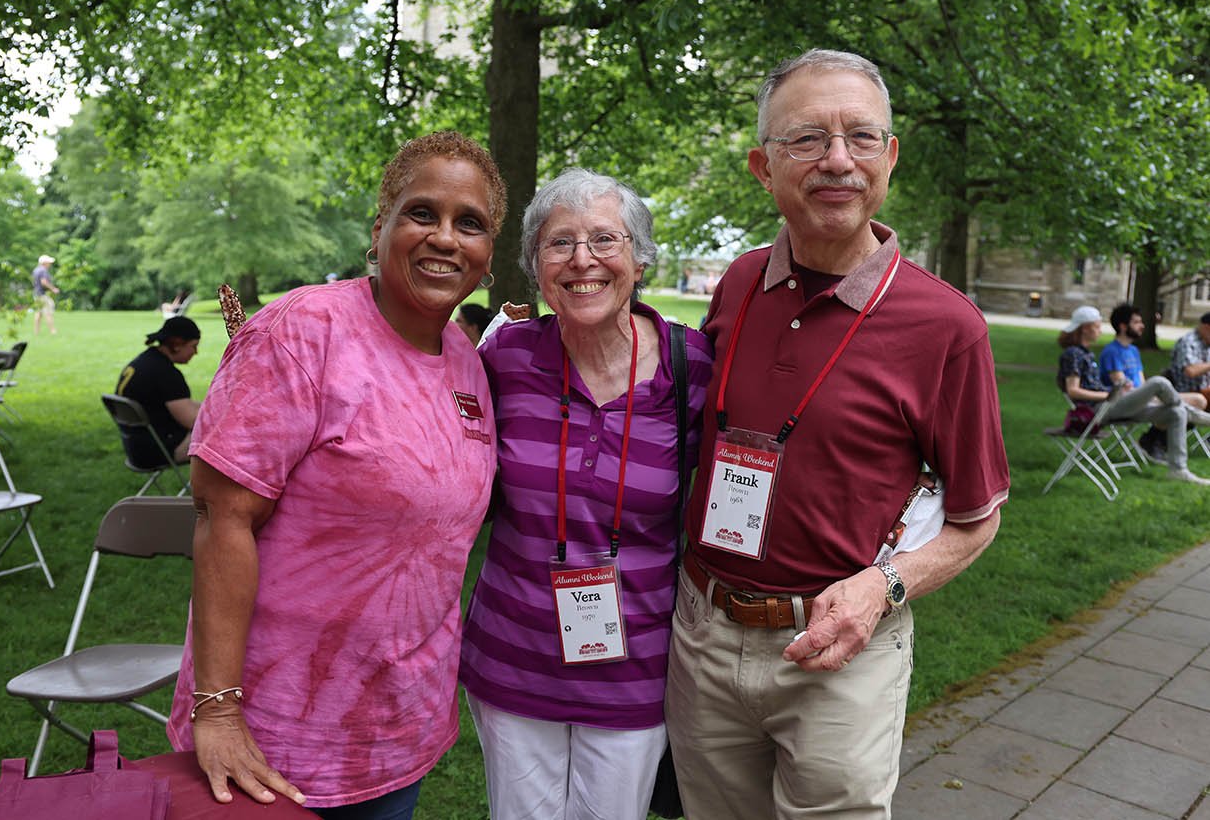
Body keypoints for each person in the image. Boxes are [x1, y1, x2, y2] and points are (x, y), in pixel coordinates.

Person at [662, 49, 1011, 819]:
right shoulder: (739, 282)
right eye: (807, 140)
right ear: (763, 166)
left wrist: (882, 588)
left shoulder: (947, 327)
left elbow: (977, 516)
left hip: (839, 648)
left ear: (889, 158)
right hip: (703, 629)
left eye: (860, 137)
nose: (837, 161)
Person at [165, 131, 506, 819]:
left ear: (488, 252)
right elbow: (221, 516)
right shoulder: (302, 332)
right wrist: (219, 711)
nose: (445, 238)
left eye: (469, 223)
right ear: (380, 227)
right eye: (422, 213)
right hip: (274, 735)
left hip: (397, 726)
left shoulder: (466, 360)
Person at [458, 169, 713, 819]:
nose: (582, 260)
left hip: (636, 666)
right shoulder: (503, 360)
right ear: (535, 268)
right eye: (558, 243)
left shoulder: (694, 367)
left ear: (641, 258)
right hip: (514, 660)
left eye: (605, 239)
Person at [1057, 304, 1210, 483]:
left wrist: (1116, 391)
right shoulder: (1072, 354)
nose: (1100, 330)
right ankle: (1203, 418)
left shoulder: (1087, 354)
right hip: (1100, 410)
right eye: (1097, 326)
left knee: (1177, 412)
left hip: (1118, 403)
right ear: (1084, 328)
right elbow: (1073, 391)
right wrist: (1108, 395)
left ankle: (1178, 470)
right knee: (1159, 383)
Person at [1099, 303, 1209, 459]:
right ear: (1123, 326)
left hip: (1144, 398)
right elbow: (1123, 387)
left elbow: (1141, 383)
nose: (1142, 326)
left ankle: (1151, 441)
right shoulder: (1111, 352)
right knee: (1168, 390)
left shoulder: (1133, 351)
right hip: (1125, 404)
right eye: (1137, 322)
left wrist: (1152, 396)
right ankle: (1156, 441)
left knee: (1197, 401)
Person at [114, 315, 203, 465]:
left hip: (136, 448)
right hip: (159, 451)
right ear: (177, 344)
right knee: (226, 437)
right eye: (193, 345)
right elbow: (192, 421)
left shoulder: (145, 361)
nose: (196, 352)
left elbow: (185, 405)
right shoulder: (165, 374)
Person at [1170, 312, 1210, 405]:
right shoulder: (1188, 342)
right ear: (1207, 328)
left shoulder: (1207, 342)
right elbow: (1190, 371)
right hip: (1189, 393)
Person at [31, 254, 59, 335]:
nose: (50, 264)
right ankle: (53, 331)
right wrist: (53, 289)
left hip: (36, 294)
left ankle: (36, 332)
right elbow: (44, 282)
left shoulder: (35, 270)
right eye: (49, 262)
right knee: (48, 312)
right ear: (44, 262)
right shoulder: (43, 270)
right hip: (42, 295)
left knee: (39, 313)